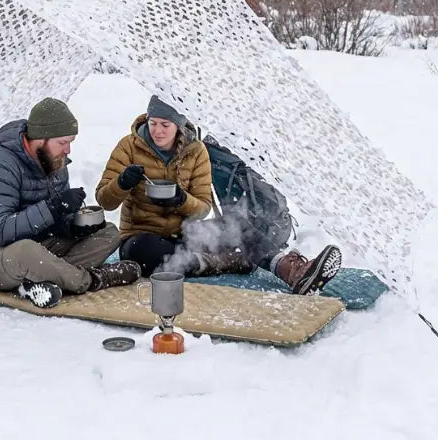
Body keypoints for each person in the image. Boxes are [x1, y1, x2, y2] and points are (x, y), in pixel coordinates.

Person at [96, 95, 342, 294]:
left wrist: (181, 201)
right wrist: (122, 182)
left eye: (165, 125)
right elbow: (104, 200)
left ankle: (290, 270)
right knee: (144, 251)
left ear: (179, 125)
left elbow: (202, 207)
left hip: (184, 235)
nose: (157, 131)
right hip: (141, 236)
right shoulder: (128, 146)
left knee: (235, 225)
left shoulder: (196, 151)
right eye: (152, 123)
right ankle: (226, 261)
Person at [0, 97, 141, 308]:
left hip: (41, 246)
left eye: (70, 143)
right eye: (63, 143)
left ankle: (41, 280)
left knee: (108, 232)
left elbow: (55, 222)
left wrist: (72, 227)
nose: (68, 151)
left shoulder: (55, 161)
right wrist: (53, 207)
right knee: (26, 252)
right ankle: (92, 280)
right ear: (40, 139)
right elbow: (1, 232)